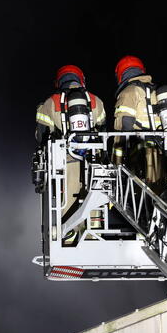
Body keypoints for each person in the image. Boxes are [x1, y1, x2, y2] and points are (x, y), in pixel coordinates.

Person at [35, 65, 107, 242]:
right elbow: (103, 130)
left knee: (68, 201)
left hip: (66, 162)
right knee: (93, 197)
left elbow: (41, 136)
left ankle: (69, 237)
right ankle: (94, 234)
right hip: (93, 160)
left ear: (59, 82)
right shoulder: (96, 100)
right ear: (81, 80)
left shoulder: (51, 102)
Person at [111, 55, 167, 194]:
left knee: (144, 197)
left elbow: (123, 128)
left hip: (141, 155)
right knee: (160, 193)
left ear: (120, 75)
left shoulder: (129, 92)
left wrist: (116, 162)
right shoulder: (157, 91)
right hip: (163, 152)